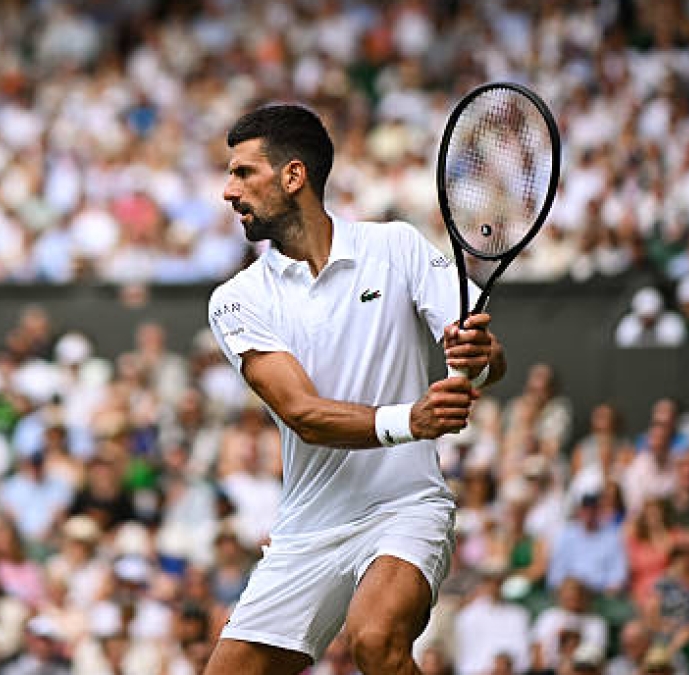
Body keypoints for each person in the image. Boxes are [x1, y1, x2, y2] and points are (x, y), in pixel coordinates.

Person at [204, 105, 505, 675]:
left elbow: (487, 359)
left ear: (293, 176)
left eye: (243, 173)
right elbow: (304, 414)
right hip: (307, 528)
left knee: (375, 641)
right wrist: (410, 420)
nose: (228, 190)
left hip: (404, 507)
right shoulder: (237, 299)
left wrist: (480, 359)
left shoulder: (397, 247)